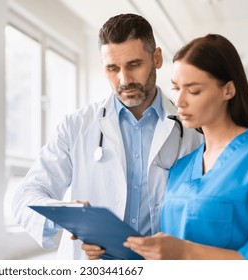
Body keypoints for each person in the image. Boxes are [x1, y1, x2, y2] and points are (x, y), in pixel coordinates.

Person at [12, 13, 202, 260]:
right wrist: (70, 215)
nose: (124, 80)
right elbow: (26, 194)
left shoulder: (191, 130)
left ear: (156, 58)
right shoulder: (76, 126)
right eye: (113, 68)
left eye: (134, 65)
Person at [123, 34, 248, 260]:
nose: (180, 101)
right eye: (176, 88)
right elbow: (166, 251)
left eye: (194, 90)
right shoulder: (181, 168)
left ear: (228, 90)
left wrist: (186, 253)